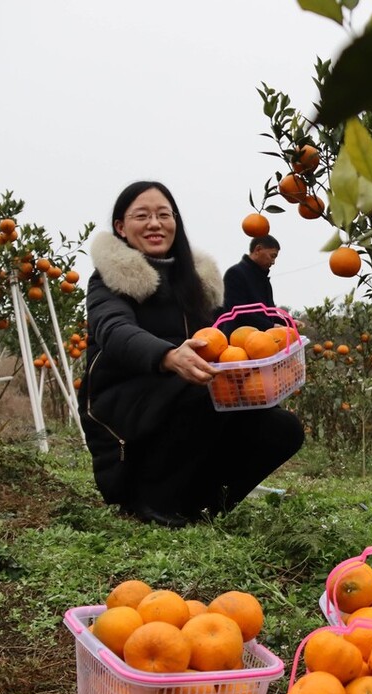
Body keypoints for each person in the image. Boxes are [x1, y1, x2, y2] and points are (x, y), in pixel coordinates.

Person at [76, 181, 304, 527]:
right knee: (204, 391)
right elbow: (113, 330)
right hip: (126, 419)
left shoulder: (195, 283)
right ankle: (151, 502)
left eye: (163, 215)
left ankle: (202, 506)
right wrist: (168, 356)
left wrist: (269, 352)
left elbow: (225, 340)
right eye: (142, 215)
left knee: (281, 428)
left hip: (187, 399)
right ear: (121, 227)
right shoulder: (109, 280)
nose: (155, 223)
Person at [221, 235, 283, 332]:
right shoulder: (235, 273)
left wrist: (289, 321)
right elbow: (239, 311)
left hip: (263, 339)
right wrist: (270, 326)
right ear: (258, 250)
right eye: (272, 256)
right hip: (240, 338)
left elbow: (270, 312)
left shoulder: (263, 279)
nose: (273, 262)